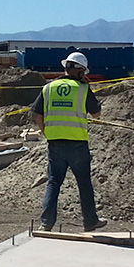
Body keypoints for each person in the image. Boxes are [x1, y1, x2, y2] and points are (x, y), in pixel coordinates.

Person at [30, 51, 106, 232]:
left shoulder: (48, 88)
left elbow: (36, 114)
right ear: (80, 71)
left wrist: (46, 132)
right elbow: (96, 114)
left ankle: (46, 223)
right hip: (77, 143)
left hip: (55, 142)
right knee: (84, 183)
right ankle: (90, 221)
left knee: (53, 182)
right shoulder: (83, 89)